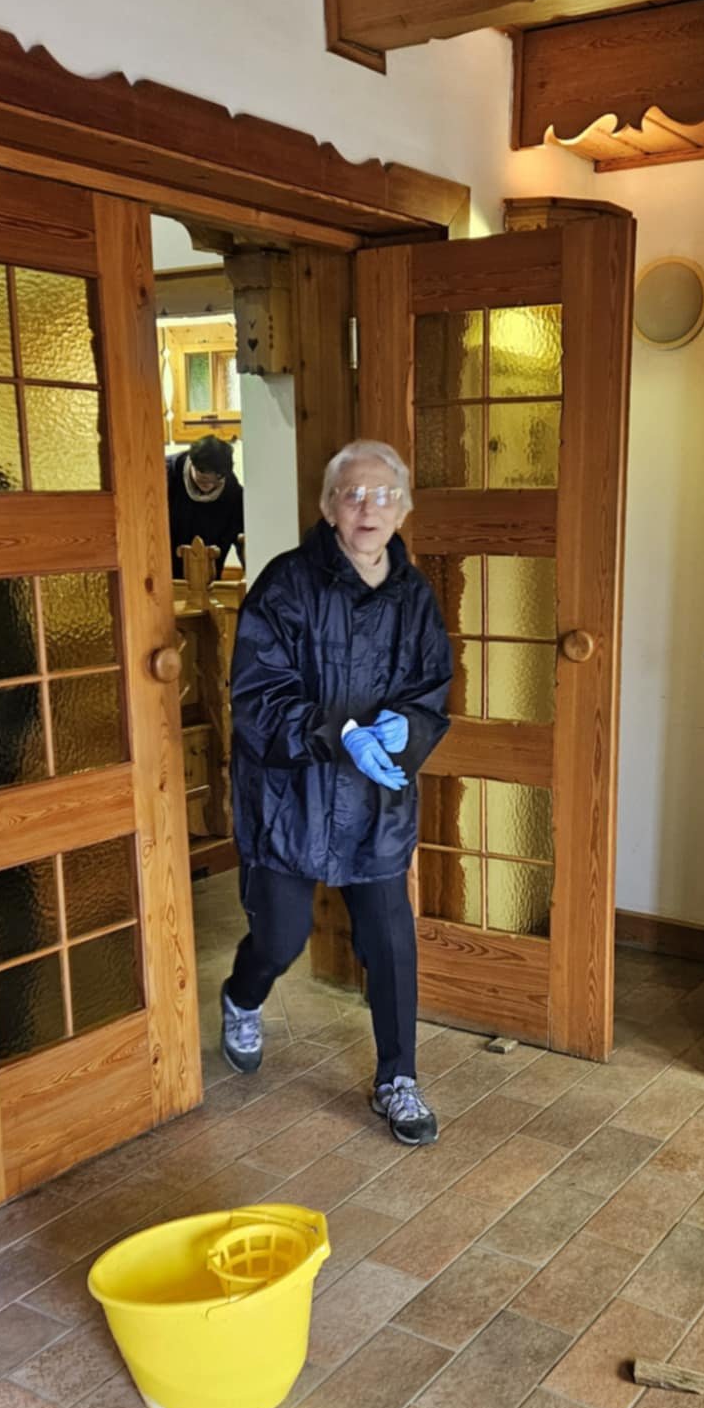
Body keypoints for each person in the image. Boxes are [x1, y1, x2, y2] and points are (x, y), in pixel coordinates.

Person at [221, 439, 453, 1147]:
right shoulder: (285, 585)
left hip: (374, 801)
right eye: (352, 494)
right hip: (289, 794)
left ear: (403, 508)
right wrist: (340, 733)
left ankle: (398, 1079)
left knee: (390, 943)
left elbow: (431, 688)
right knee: (281, 936)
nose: (367, 508)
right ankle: (241, 996)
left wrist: (407, 727)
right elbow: (258, 697)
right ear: (328, 507)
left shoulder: (414, 595)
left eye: (383, 495)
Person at [166, 435, 245, 578]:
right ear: (192, 464)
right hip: (164, 574)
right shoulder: (167, 476)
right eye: (203, 479)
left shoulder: (233, 494)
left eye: (216, 480)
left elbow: (243, 540)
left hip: (210, 579)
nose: (209, 485)